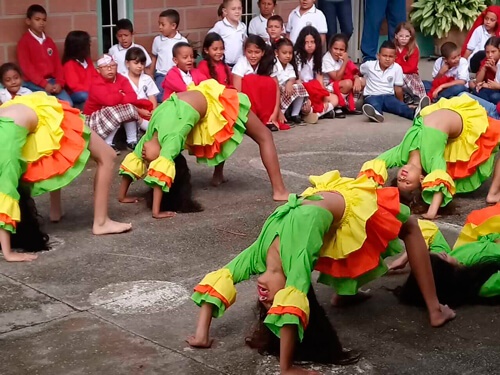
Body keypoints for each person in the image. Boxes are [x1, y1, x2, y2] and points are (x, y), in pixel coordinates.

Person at [187, 170, 455, 374]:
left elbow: (284, 299)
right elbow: (232, 280)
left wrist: (285, 368)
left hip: (342, 197)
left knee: (406, 225)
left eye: (266, 304)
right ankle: (355, 295)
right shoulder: (283, 261)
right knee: (347, 242)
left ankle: (433, 309)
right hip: (327, 206)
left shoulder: (270, 256)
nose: (265, 298)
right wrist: (286, 368)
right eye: (272, 304)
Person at [118, 79, 289, 215]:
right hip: (201, 103)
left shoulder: (160, 139)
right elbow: (152, 169)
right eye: (150, 164)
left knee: (256, 136)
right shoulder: (163, 141)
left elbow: (152, 168)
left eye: (147, 164)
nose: (145, 158)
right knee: (232, 134)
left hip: (210, 97)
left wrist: (139, 203)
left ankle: (275, 189)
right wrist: (135, 202)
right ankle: (276, 190)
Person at [0, 92, 132, 263]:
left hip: (41, 111)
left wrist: (8, 252)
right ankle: (93, 221)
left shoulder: (6, 157)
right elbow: (5, 197)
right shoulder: (7, 156)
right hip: (31, 109)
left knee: (106, 156)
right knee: (55, 154)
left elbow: (5, 197)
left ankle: (95, 221)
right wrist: (8, 252)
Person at [358, 94, 500, 219]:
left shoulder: (399, 155)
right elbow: (439, 180)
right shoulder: (432, 162)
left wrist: (363, 195)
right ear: (422, 180)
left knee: (462, 94)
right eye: (407, 183)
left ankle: (417, 112)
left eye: (399, 181)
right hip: (462, 122)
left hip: (443, 108)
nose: (402, 178)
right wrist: (431, 212)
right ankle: (493, 193)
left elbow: (373, 166)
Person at [396, 204, 500, 307]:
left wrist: (406, 257)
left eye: (430, 255)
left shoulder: (447, 256)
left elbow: (426, 228)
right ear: (446, 277)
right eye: (437, 258)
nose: (435, 253)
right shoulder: (483, 285)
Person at [83, 55, 141, 153]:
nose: (110, 69)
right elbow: (108, 101)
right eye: (105, 67)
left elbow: (133, 97)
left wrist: (118, 96)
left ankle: (132, 141)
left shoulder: (122, 79)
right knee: (114, 110)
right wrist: (121, 94)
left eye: (113, 66)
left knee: (129, 107)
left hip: (110, 115)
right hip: (93, 120)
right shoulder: (95, 82)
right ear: (98, 70)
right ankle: (107, 144)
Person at [17, 4, 73, 105]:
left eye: (44, 20)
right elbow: (27, 68)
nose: (41, 23)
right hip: (33, 83)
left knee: (68, 103)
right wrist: (44, 84)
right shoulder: (24, 42)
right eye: (37, 19)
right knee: (51, 105)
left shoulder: (49, 41)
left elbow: (57, 65)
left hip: (52, 81)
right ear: (28, 21)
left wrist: (60, 83)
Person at [360, 41, 429, 123]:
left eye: (390, 56)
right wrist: (357, 78)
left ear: (395, 57)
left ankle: (416, 113)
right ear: (378, 56)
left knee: (399, 107)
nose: (387, 59)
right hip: (372, 95)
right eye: (384, 56)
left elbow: (398, 89)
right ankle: (375, 114)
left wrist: (401, 103)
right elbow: (358, 71)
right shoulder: (369, 65)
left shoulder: (397, 68)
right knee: (374, 104)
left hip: (389, 96)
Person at [232, 35, 285, 131]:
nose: (253, 56)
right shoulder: (241, 64)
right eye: (249, 52)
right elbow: (237, 93)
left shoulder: (268, 63)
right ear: (245, 52)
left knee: (268, 82)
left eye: (257, 52)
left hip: (264, 105)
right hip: (248, 106)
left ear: (263, 52)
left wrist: (275, 113)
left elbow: (276, 89)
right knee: (249, 80)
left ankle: (269, 120)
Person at [294, 26, 337, 122]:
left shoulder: (317, 57)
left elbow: (319, 81)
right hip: (303, 89)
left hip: (314, 88)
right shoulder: (297, 56)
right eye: (306, 42)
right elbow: (298, 79)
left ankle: (316, 114)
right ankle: (317, 112)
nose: (310, 45)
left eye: (312, 42)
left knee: (334, 99)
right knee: (306, 105)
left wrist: (324, 98)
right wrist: (309, 96)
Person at [123, 47, 160, 147]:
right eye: (136, 63)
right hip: (131, 108)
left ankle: (146, 134)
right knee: (129, 111)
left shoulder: (147, 78)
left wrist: (153, 110)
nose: (140, 66)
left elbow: (152, 96)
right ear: (127, 63)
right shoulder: (122, 78)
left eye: (142, 63)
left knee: (157, 120)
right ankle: (131, 140)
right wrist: (139, 111)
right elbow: (124, 100)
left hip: (146, 109)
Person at [322, 33, 364, 118]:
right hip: (327, 88)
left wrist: (356, 79)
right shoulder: (326, 59)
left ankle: (349, 105)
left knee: (362, 81)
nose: (338, 52)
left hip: (339, 84)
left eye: (341, 49)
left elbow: (353, 71)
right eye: (335, 48)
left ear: (345, 50)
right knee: (348, 83)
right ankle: (338, 106)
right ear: (330, 47)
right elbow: (336, 78)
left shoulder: (343, 57)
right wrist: (345, 62)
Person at [151, 9, 188, 102]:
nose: (160, 27)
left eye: (163, 25)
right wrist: (151, 74)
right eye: (159, 24)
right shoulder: (157, 40)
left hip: (177, 74)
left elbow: (186, 59)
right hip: (161, 75)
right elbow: (154, 57)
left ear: (173, 26)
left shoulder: (182, 41)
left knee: (181, 95)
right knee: (160, 97)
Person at [272, 38, 310, 125]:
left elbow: (292, 77)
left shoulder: (289, 66)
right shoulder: (274, 64)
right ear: (276, 53)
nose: (288, 56)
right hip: (275, 91)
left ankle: (295, 114)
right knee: (282, 89)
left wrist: (290, 83)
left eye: (290, 53)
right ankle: (281, 114)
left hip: (286, 91)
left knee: (299, 86)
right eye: (284, 53)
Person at [394, 22, 426, 104]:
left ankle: (417, 97)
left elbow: (411, 67)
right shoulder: (393, 48)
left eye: (407, 36)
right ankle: (406, 96)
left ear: (411, 37)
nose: (403, 38)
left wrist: (397, 68)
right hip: (394, 74)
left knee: (401, 76)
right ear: (396, 36)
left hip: (410, 75)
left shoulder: (413, 49)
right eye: (401, 36)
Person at [208, 0, 247, 67]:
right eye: (233, 9)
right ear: (225, 11)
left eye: (239, 8)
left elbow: (245, 43)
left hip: (239, 65)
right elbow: (209, 39)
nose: (237, 11)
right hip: (224, 64)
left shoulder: (243, 26)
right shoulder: (220, 26)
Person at [461, 6, 500, 73]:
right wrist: (461, 65)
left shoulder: (499, 33)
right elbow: (469, 49)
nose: (488, 22)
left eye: (492, 20)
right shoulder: (479, 30)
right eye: (486, 18)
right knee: (484, 53)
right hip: (476, 61)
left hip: (494, 63)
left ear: (497, 21)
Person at [62, 30, 94, 109]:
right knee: (84, 95)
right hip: (76, 94)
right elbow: (75, 86)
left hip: (91, 91)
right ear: (79, 47)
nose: (89, 46)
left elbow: (95, 77)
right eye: (87, 44)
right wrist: (93, 91)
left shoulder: (88, 61)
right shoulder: (69, 65)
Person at [473, 37, 500, 104]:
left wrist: (494, 68)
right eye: (487, 52)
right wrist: (484, 68)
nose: (490, 55)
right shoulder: (485, 61)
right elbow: (478, 82)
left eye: (493, 52)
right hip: (489, 88)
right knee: (476, 89)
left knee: (495, 97)